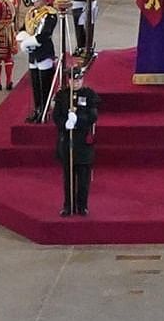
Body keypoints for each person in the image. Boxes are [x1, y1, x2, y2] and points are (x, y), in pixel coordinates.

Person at [54, 66, 99, 216]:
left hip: (83, 143)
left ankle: (82, 206)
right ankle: (68, 205)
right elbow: (56, 116)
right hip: (68, 141)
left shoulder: (89, 94)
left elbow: (93, 116)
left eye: (79, 79)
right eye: (73, 79)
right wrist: (65, 124)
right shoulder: (62, 96)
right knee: (68, 177)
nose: (76, 82)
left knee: (83, 178)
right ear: (69, 80)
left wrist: (78, 120)